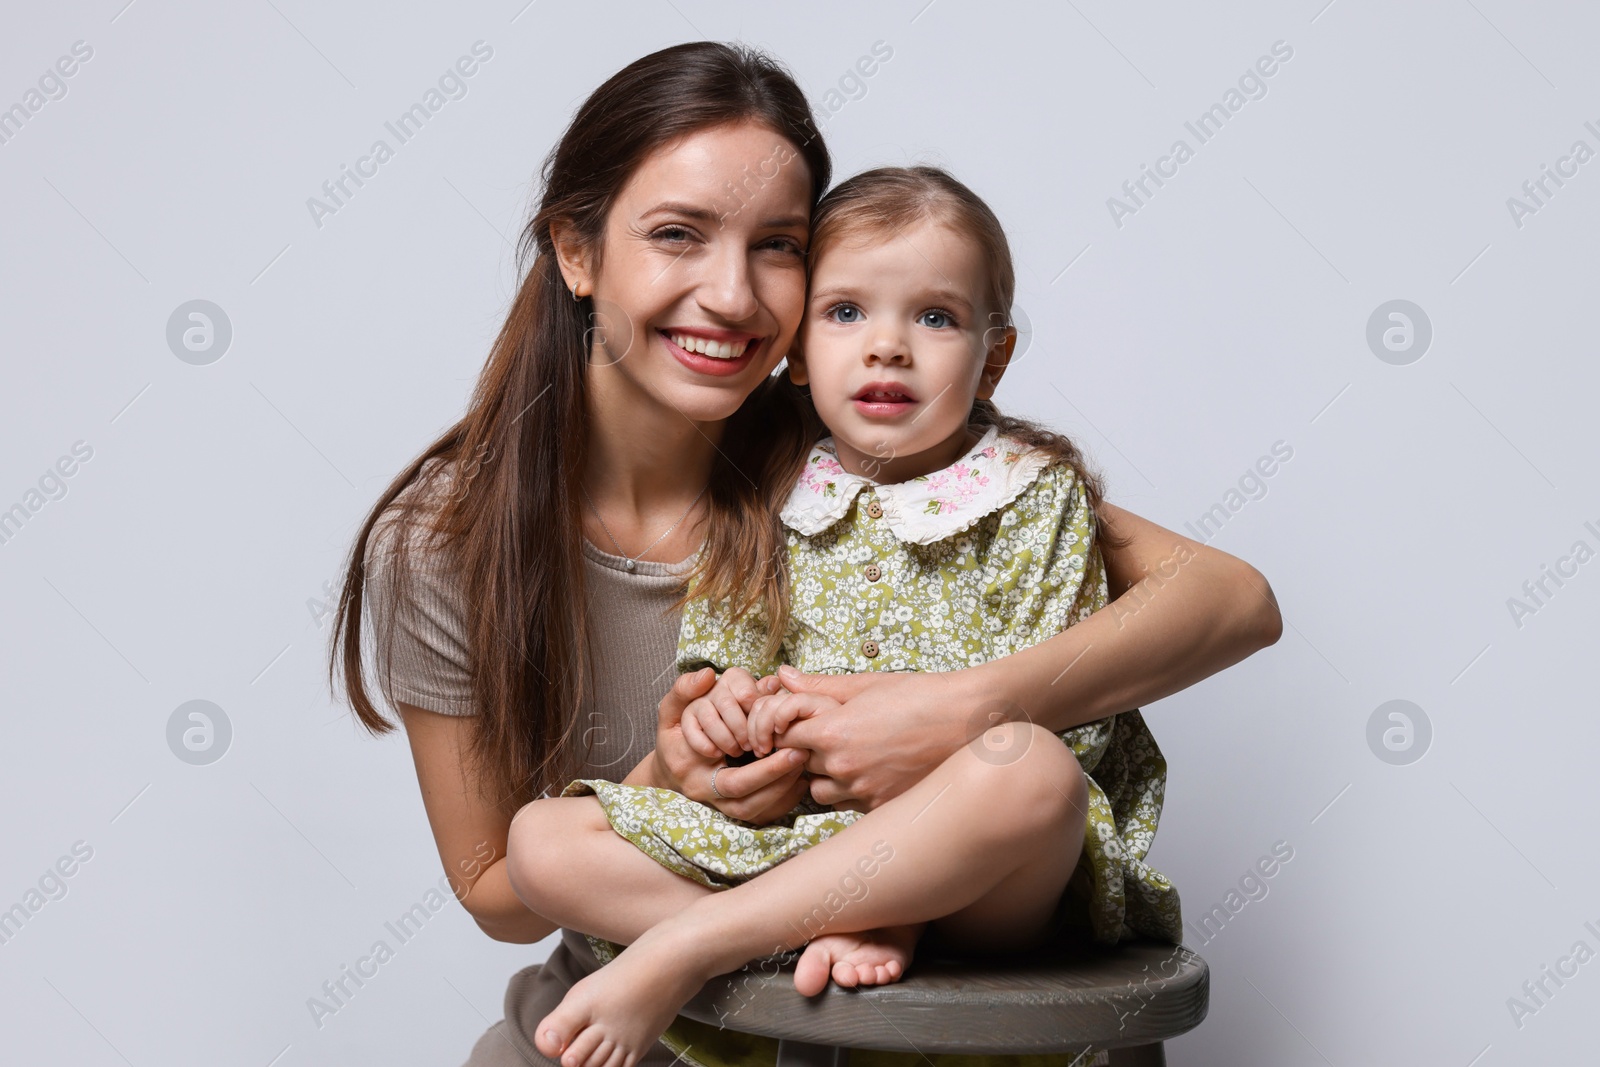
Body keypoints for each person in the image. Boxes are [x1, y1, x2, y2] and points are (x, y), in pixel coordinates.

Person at [331, 41, 1282, 1067]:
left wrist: (964, 707)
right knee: (548, 837)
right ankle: (824, 925)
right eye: (677, 235)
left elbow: (1229, 598)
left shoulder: (866, 449)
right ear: (576, 250)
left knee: (1029, 777)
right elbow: (496, 892)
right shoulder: (450, 540)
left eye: (777, 244)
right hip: (651, 1016)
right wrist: (672, 776)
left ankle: (817, 928)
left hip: (947, 980)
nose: (732, 295)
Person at [511, 164, 1196, 1067]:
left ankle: (699, 941)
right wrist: (723, 717)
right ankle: (842, 915)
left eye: (936, 317)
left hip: (983, 871)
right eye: (845, 313)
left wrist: (939, 743)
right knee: (541, 840)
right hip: (808, 837)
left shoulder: (1035, 496)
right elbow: (719, 661)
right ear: (797, 351)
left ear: (993, 354)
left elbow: (1074, 715)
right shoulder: (766, 488)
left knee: (1031, 769)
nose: (888, 347)